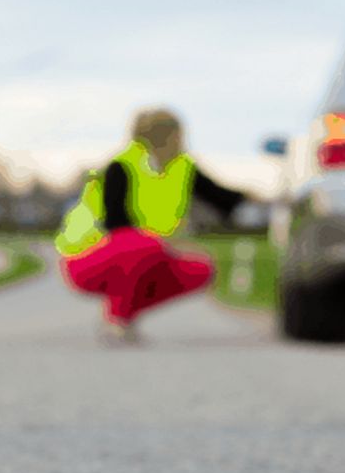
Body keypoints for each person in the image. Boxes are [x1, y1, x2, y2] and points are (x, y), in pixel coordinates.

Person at [55, 108, 243, 344]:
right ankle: (117, 319)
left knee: (200, 269)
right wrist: (170, 243)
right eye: (177, 134)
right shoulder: (122, 166)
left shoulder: (182, 167)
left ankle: (124, 312)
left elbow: (224, 199)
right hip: (87, 257)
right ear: (163, 136)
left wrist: (268, 202)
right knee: (142, 245)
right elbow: (115, 224)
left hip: (148, 252)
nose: (182, 140)